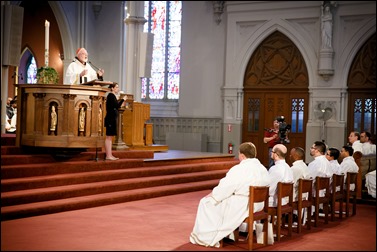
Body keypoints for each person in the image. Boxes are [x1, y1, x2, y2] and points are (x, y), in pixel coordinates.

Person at [189, 142, 271, 248]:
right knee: (220, 200)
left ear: (242, 155)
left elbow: (226, 187)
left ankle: (208, 236)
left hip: (243, 204)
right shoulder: (263, 169)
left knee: (206, 203)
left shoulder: (239, 169)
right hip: (259, 204)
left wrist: (214, 195)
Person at [104, 83, 126, 160]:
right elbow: (117, 105)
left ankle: (110, 155)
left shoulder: (112, 96)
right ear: (112, 88)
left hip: (112, 119)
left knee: (110, 137)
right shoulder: (110, 95)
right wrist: (123, 99)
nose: (118, 89)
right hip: (110, 119)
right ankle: (108, 155)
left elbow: (116, 106)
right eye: (116, 87)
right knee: (108, 137)